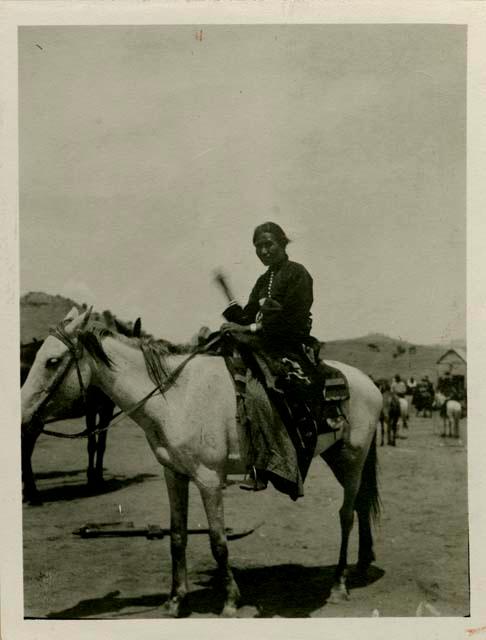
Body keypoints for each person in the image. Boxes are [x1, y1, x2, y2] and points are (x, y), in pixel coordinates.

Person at [220, 222, 318, 496]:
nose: (263, 251)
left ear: (282, 243)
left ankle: (272, 467)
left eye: (268, 244)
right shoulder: (263, 281)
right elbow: (250, 316)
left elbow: (292, 320)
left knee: (256, 393)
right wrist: (234, 317)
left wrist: (248, 329)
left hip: (289, 347)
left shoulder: (298, 274)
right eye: (258, 247)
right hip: (261, 346)